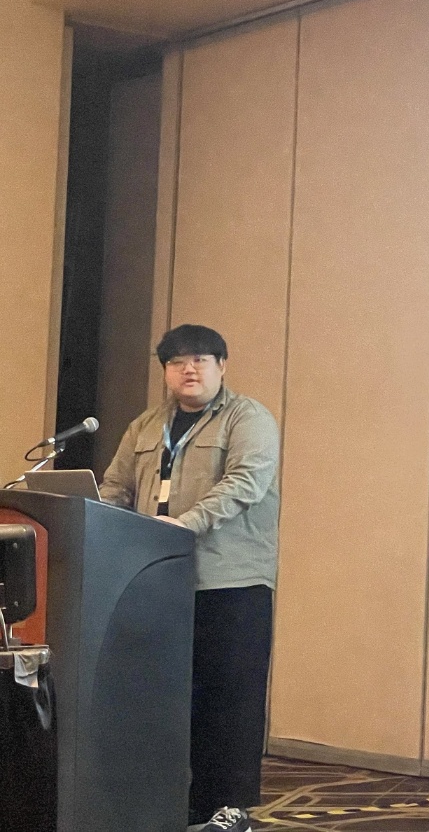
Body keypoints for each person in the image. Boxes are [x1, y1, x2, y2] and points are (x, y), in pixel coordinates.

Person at [99, 324, 280, 832]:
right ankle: (181, 805)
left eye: (200, 359)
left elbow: (245, 482)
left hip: (229, 582)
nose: (189, 369)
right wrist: (93, 524)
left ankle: (230, 808)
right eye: (177, 362)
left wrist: (186, 524)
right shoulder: (145, 426)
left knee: (230, 700)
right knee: (168, 699)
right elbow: (115, 488)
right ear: (165, 372)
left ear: (222, 366)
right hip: (157, 582)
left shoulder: (247, 418)